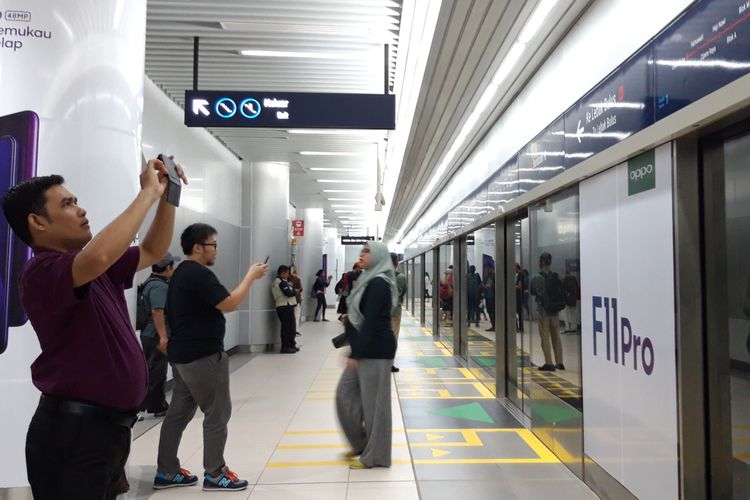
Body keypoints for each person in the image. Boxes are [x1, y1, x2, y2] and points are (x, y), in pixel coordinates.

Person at [1, 157, 186, 500]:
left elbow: (151, 250)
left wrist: (167, 195)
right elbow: (99, 256)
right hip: (73, 434)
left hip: (106, 432)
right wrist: (145, 193)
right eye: (68, 204)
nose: (81, 209)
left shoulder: (90, 270)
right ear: (37, 222)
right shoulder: (43, 272)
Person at [154, 223, 268, 491]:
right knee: (217, 412)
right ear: (198, 247)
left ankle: (167, 471)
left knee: (178, 414)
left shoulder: (181, 272)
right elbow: (229, 303)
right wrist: (250, 277)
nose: (216, 250)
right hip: (202, 356)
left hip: (182, 357)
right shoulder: (198, 274)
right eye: (213, 245)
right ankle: (215, 473)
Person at [336, 242, 397, 470]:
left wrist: (356, 352)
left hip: (376, 350)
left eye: (366, 251)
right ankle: (362, 444)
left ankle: (376, 456)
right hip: (364, 348)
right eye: (361, 250)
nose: (361, 254)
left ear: (379, 256)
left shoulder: (379, 283)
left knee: (375, 407)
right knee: (345, 397)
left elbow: (371, 322)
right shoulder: (367, 280)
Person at [139, 252, 181, 418]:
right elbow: (158, 311)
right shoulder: (159, 286)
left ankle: (150, 405)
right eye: (173, 265)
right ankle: (156, 406)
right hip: (156, 334)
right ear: (168, 267)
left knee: (151, 370)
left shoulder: (150, 283)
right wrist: (163, 337)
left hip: (149, 334)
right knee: (156, 372)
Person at [530, 252, 564, 371]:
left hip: (543, 311)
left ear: (541, 262)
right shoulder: (555, 276)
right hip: (555, 311)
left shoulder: (537, 277)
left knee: (545, 336)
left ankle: (549, 363)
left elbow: (533, 292)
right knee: (556, 336)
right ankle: (560, 362)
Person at [272, 265, 299, 353]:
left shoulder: (284, 281)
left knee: (291, 326)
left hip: (288, 305)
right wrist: (295, 291)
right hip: (284, 306)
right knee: (287, 327)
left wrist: (293, 291)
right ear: (282, 273)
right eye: (287, 273)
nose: (288, 275)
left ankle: (291, 344)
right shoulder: (279, 282)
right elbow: (289, 293)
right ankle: (285, 347)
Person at [390, 252, 407, 373]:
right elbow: (403, 292)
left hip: (382, 312)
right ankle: (389, 363)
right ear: (396, 264)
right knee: (393, 337)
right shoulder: (401, 277)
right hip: (395, 311)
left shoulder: (379, 276)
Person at [562, 269, 580, 333]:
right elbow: (576, 288)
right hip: (573, 299)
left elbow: (562, 289)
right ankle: (573, 327)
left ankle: (567, 327)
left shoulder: (564, 280)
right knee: (573, 314)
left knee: (566, 314)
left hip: (566, 299)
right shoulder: (574, 279)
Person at [481, 265, 496, 331]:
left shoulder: (492, 276)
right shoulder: (488, 276)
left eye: (487, 269)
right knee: (489, 311)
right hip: (488, 296)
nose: (486, 271)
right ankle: (494, 325)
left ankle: (495, 325)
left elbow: (488, 286)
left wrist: (483, 286)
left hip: (492, 297)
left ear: (491, 269)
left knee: (492, 311)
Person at [289, 265, 303, 335]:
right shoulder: (295, 279)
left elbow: (300, 289)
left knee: (296, 315)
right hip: (294, 300)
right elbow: (300, 289)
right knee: (295, 316)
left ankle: (295, 330)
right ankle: (295, 330)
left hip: (296, 300)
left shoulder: (296, 279)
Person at [515, 262, 525, 333]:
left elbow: (519, 286)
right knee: (519, 312)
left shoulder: (520, 275)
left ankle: (519, 328)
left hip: (518, 296)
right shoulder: (520, 274)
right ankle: (519, 327)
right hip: (518, 296)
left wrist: (512, 285)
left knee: (518, 312)